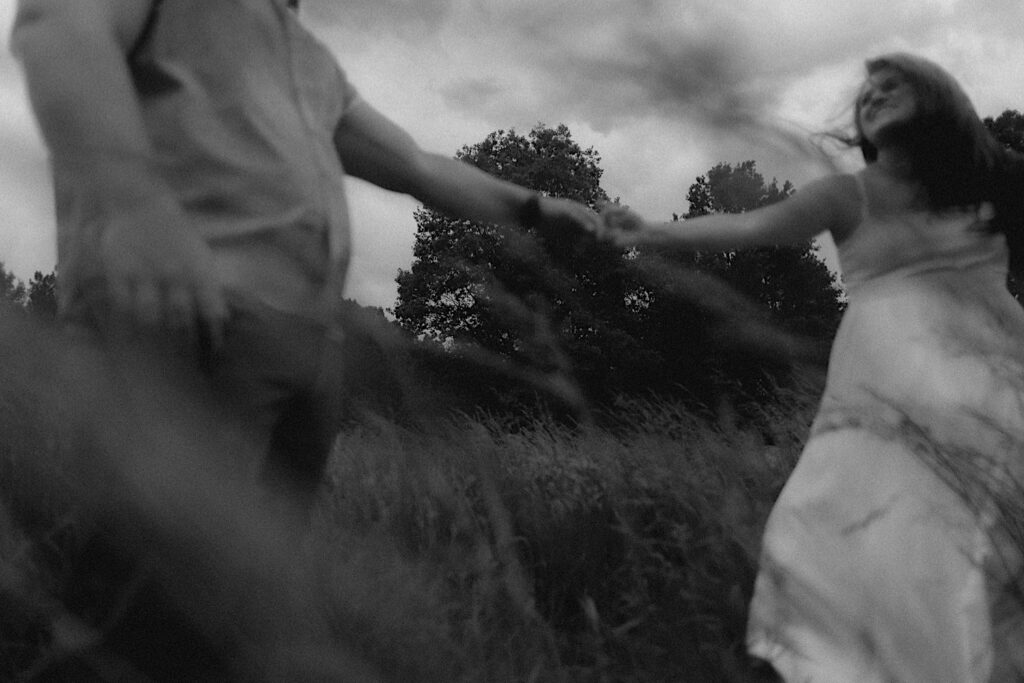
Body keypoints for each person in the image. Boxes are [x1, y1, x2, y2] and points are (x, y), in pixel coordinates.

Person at [11, 0, 599, 512]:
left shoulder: (310, 61)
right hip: (185, 315)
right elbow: (56, 28)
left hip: (303, 352)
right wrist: (135, 204)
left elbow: (416, 165)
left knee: (248, 597)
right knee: (152, 589)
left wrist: (534, 207)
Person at [598, 54, 1024, 681]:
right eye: (868, 92)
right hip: (887, 384)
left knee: (980, 537)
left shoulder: (999, 180)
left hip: (992, 374)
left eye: (892, 85)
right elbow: (750, 225)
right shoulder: (846, 193)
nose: (874, 96)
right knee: (843, 523)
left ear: (938, 98)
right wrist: (649, 233)